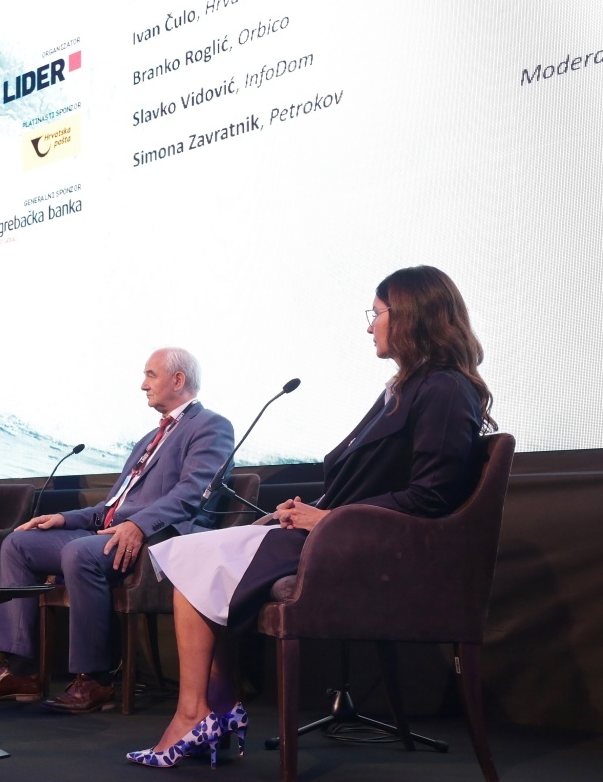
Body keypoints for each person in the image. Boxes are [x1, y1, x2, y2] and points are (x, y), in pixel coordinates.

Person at [129, 266, 496, 768]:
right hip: (343, 535)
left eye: (377, 314)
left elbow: (431, 496)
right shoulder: (409, 387)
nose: (369, 326)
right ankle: (215, 707)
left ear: (410, 315)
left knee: (197, 558)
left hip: (369, 550)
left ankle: (198, 714)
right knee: (195, 556)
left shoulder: (446, 390)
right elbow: (374, 482)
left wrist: (327, 519)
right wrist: (306, 512)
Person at [0, 348, 235, 713]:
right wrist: (63, 518)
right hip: (114, 534)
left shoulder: (212, 426)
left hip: (162, 539)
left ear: (178, 380)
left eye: (150, 375)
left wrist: (138, 525)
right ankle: (21, 671)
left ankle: (95, 680)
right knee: (18, 544)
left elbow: (192, 493)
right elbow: (111, 508)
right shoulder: (148, 440)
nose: (143, 385)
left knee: (80, 552)